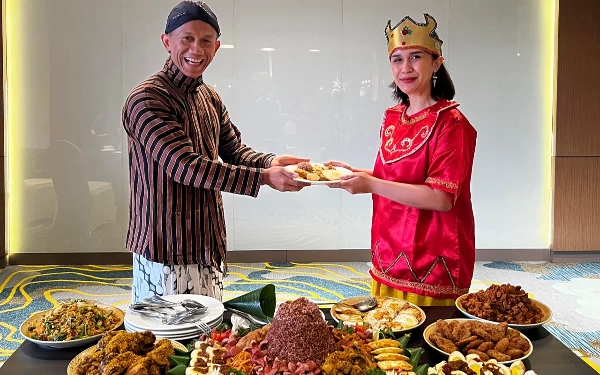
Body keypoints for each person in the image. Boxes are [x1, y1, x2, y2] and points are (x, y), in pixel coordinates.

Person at [122, 1, 309, 302]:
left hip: (208, 240)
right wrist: (263, 177)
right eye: (187, 38)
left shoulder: (209, 96)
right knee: (165, 339)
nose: (196, 49)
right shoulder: (147, 98)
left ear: (216, 47)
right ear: (166, 41)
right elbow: (184, 166)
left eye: (205, 41)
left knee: (209, 335)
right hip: (164, 244)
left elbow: (233, 149)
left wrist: (272, 161)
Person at [328, 14, 477, 306]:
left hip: (433, 256)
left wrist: (370, 184)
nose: (405, 68)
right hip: (389, 249)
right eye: (397, 59)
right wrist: (355, 173)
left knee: (424, 343)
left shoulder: (452, 123)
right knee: (385, 338)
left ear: (436, 62)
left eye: (415, 57)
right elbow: (396, 177)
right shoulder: (393, 116)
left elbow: (441, 198)